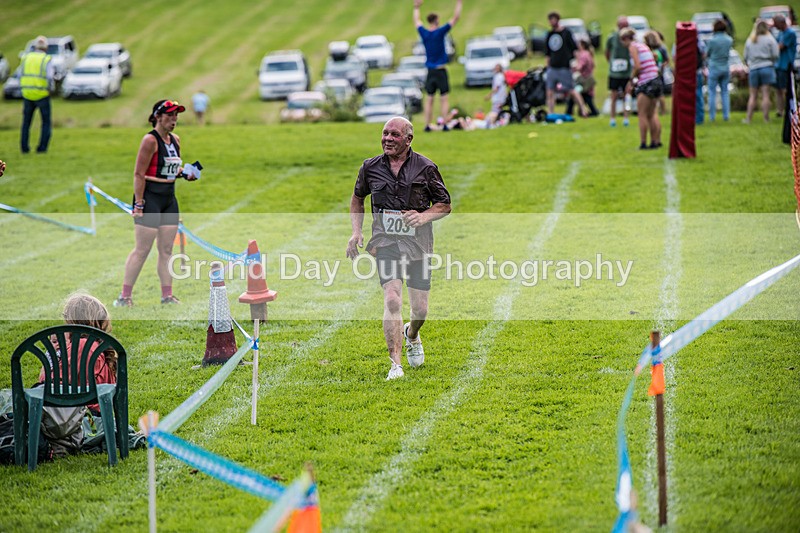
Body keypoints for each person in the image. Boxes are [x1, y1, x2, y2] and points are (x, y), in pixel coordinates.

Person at [346, 117, 451, 380]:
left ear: (408, 139)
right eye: (385, 134)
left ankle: (411, 334)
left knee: (420, 310)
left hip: (418, 244)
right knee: (392, 299)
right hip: (385, 242)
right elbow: (358, 198)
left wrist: (423, 217)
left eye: (394, 135)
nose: (388, 139)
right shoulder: (370, 167)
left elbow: (444, 204)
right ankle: (396, 365)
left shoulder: (426, 167)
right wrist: (356, 231)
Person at [115, 100, 198, 307]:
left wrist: (186, 173)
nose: (174, 119)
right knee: (142, 250)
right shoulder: (150, 140)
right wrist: (139, 203)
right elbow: (138, 173)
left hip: (169, 198)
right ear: (158, 117)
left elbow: (170, 169)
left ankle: (167, 296)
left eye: (176, 115)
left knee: (167, 249)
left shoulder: (176, 140)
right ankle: (124, 297)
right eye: (170, 115)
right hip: (150, 198)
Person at [414, 0, 462, 132]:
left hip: (430, 71)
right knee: (443, 99)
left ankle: (427, 124)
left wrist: (416, 7)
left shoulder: (425, 34)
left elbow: (417, 21)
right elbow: (455, 18)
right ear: (436, 21)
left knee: (429, 99)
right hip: (441, 70)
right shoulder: (440, 32)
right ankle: (445, 124)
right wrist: (459, 3)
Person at [621, 29, 662, 149]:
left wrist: (631, 80)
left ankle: (643, 143)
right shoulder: (642, 45)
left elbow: (638, 66)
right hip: (656, 79)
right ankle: (655, 142)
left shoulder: (633, 47)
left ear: (626, 39)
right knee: (652, 114)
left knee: (642, 114)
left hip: (646, 82)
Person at [545, 11, 588, 117]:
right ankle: (550, 113)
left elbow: (574, 49)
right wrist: (547, 66)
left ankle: (583, 110)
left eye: (553, 19)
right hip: (553, 67)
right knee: (550, 91)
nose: (551, 22)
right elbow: (547, 53)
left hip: (564, 67)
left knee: (571, 90)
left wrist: (577, 63)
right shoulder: (550, 34)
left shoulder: (566, 33)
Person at [20, 36, 54, 154]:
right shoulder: (46, 59)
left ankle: (24, 148)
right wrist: (51, 89)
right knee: (46, 122)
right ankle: (42, 148)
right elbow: (50, 77)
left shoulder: (26, 57)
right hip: (42, 94)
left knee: (26, 123)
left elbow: (20, 74)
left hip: (27, 94)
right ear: (46, 47)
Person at [744, 20, 779, 124]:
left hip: (754, 68)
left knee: (753, 95)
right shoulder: (770, 39)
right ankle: (766, 118)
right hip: (766, 67)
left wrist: (750, 63)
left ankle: (748, 118)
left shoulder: (751, 40)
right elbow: (776, 54)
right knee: (765, 94)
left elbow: (745, 56)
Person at [606, 16, 632, 127]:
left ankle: (626, 118)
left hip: (627, 72)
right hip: (615, 72)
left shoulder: (631, 39)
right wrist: (611, 62)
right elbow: (607, 52)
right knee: (614, 96)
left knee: (627, 95)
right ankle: (612, 118)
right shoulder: (612, 38)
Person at [705, 20, 734, 122]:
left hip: (714, 68)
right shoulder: (729, 40)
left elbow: (707, 53)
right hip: (725, 67)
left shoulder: (712, 41)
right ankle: (726, 115)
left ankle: (712, 116)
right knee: (725, 92)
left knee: (712, 92)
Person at [567, 40, 599, 117]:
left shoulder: (584, 55)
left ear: (582, 45)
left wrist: (572, 66)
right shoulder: (588, 54)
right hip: (588, 79)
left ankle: (572, 111)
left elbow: (579, 67)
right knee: (585, 95)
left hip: (584, 80)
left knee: (575, 92)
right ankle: (571, 111)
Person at [773, 15, 797, 117]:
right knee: (778, 88)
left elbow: (779, 47)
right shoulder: (780, 33)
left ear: (782, 23)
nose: (775, 26)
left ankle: (788, 109)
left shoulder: (790, 33)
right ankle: (780, 110)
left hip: (786, 65)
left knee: (785, 89)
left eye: (776, 24)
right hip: (778, 65)